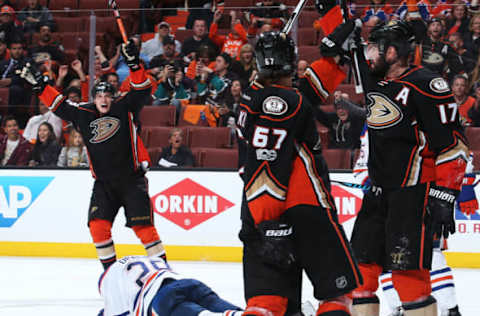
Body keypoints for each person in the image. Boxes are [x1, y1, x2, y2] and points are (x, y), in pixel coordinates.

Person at [320, 18, 468, 315]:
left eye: (375, 47)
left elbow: (453, 146)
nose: (369, 53)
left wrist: (445, 195)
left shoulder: (428, 84)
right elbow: (344, 41)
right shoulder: (376, 77)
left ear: (392, 52)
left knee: (409, 280)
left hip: (412, 192)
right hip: (378, 193)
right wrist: (331, 21)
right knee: (360, 276)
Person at [237, 31, 361, 316]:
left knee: (266, 304)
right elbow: (266, 163)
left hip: (256, 214)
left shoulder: (253, 96)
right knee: (337, 295)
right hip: (303, 206)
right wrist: (271, 226)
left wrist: (332, 60)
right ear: (291, 63)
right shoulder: (284, 103)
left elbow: (305, 93)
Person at [18, 39, 166, 270]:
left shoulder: (124, 106)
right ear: (93, 99)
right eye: (99, 97)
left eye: (107, 96)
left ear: (112, 96)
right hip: (103, 184)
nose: (104, 100)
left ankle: (163, 273)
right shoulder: (84, 113)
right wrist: (41, 88)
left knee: (144, 229)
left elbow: (142, 89)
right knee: (97, 226)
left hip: (131, 180)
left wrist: (135, 66)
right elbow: (60, 106)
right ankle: (111, 275)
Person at [98, 255, 243, 316]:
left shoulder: (109, 281)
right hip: (188, 283)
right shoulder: (143, 259)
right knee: (236, 312)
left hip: (162, 299)